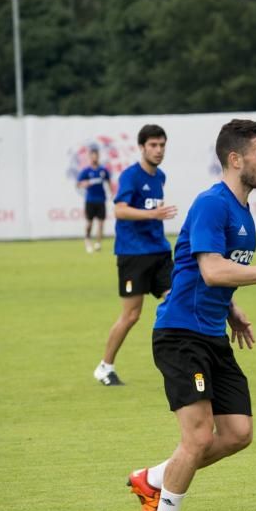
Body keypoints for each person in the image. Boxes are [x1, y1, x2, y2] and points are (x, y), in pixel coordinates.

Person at [125, 118, 256, 511]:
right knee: (196, 437)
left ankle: (153, 478)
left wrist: (231, 309)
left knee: (237, 433)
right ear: (236, 159)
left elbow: (202, 269)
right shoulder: (213, 203)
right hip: (180, 335)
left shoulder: (243, 210)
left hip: (211, 333)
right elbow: (212, 270)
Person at [93, 125, 178, 386]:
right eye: (153, 145)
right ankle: (105, 367)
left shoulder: (160, 176)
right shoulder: (131, 176)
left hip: (160, 252)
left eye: (162, 145)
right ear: (141, 147)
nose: (158, 150)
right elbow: (120, 210)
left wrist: (155, 217)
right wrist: (152, 214)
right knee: (132, 315)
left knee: (178, 302)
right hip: (134, 254)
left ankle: (181, 364)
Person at [77, 146, 112, 253]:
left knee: (101, 223)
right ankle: (87, 240)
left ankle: (98, 243)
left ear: (98, 157)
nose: (94, 158)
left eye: (96, 156)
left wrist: (112, 194)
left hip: (101, 200)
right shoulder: (86, 171)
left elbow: (108, 182)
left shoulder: (103, 170)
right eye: (92, 156)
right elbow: (78, 184)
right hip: (90, 200)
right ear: (89, 157)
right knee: (89, 223)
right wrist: (85, 183)